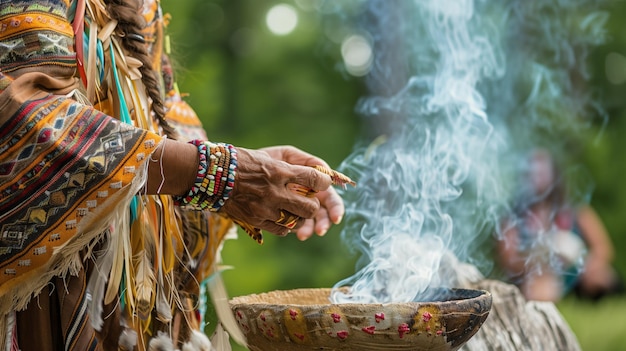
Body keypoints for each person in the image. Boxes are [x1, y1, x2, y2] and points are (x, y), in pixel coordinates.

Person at [0, 0, 347, 349]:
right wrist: (219, 173)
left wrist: (266, 179)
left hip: (129, 326)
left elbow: (172, 176)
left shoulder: (144, 11)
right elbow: (18, 127)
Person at [497, 149, 622, 302]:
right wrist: (539, 258)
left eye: (542, 172)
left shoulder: (575, 210)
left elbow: (603, 249)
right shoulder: (513, 219)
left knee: (603, 276)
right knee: (541, 286)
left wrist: (584, 264)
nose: (537, 178)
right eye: (532, 173)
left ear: (554, 175)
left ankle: (596, 298)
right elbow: (510, 263)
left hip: (576, 272)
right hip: (540, 275)